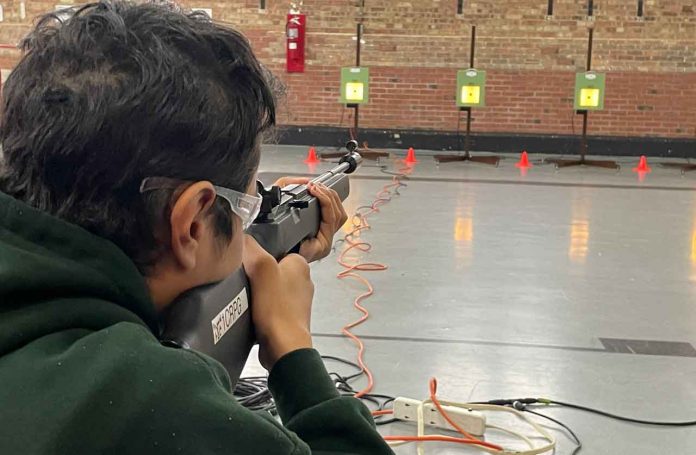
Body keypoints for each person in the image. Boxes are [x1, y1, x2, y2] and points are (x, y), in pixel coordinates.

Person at [0, 2, 394, 454]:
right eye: (246, 205)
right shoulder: (154, 407)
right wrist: (293, 347)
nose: (248, 223)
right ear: (190, 224)